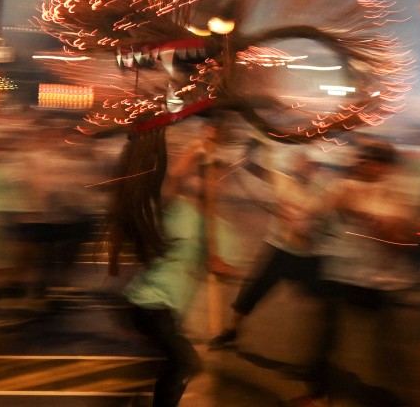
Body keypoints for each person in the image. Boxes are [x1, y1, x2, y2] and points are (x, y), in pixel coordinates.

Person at [310, 138, 420, 406]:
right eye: (367, 161)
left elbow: (403, 232)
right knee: (328, 338)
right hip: (341, 275)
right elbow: (316, 217)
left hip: (383, 280)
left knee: (387, 345)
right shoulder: (343, 187)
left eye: (378, 162)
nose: (371, 167)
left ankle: (394, 397)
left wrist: (398, 229)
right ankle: (318, 392)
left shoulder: (396, 191)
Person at [122, 124, 240, 407]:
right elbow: (174, 176)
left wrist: (223, 269)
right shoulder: (177, 208)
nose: (213, 183)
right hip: (148, 302)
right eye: (209, 178)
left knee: (173, 363)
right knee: (184, 362)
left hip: (173, 310)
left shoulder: (221, 230)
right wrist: (200, 145)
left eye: (219, 179)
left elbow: (227, 272)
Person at [208, 145, 331, 351]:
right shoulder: (281, 179)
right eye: (300, 160)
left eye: (308, 162)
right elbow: (250, 166)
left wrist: (305, 231)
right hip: (278, 249)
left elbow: (325, 227)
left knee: (323, 301)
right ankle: (232, 330)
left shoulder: (322, 192)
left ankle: (320, 350)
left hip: (308, 255)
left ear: (315, 166)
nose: (302, 165)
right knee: (253, 290)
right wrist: (253, 145)